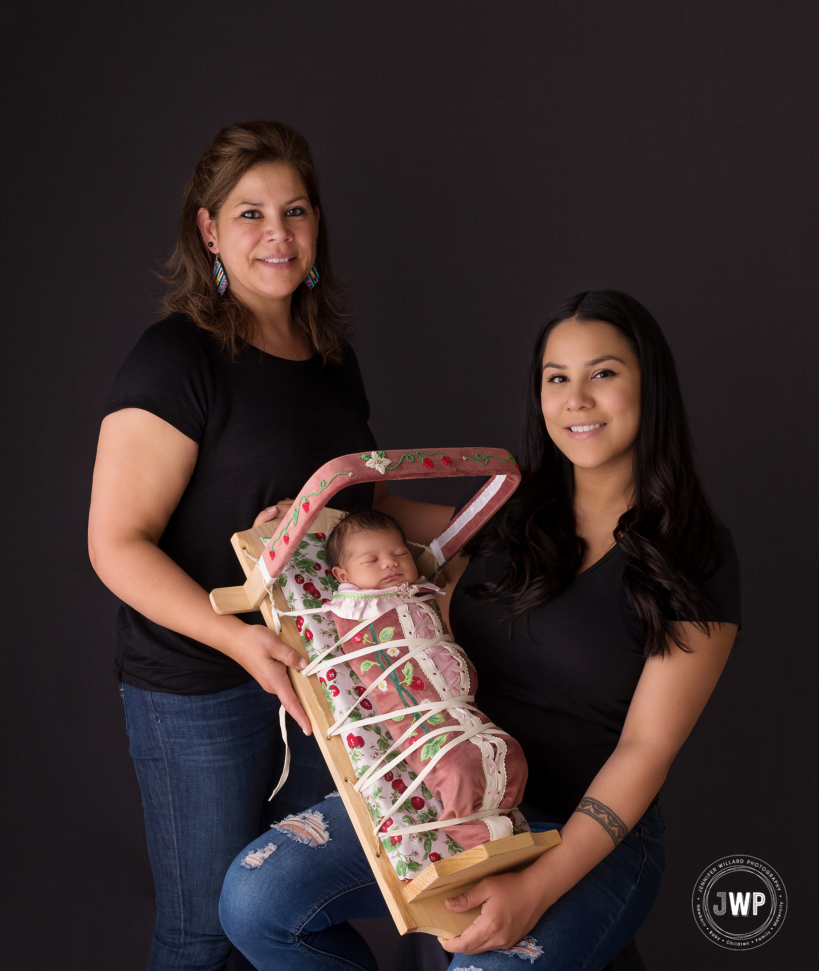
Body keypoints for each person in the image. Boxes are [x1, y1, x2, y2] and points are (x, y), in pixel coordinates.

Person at [218, 290, 740, 971]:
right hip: (449, 802)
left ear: (650, 387)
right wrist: (305, 521)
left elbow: (645, 748)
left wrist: (536, 887)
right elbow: (378, 521)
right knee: (255, 901)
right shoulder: (509, 513)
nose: (575, 398)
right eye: (557, 378)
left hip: (585, 832)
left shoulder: (697, 556)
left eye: (602, 373)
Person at [88, 121, 380, 971]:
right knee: (205, 934)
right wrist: (235, 638)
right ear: (209, 231)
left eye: (294, 210)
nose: (277, 234)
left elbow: (359, 504)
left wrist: (496, 511)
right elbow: (115, 544)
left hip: (321, 673)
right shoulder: (177, 358)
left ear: (317, 225)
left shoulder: (331, 358)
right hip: (202, 687)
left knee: (295, 914)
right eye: (249, 214)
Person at [321, 509, 527, 851]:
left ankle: (498, 815)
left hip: (464, 711)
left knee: (510, 751)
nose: (390, 563)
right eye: (372, 559)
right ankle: (467, 831)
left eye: (400, 554)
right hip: (420, 716)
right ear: (343, 576)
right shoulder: (352, 607)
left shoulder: (419, 594)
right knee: (456, 765)